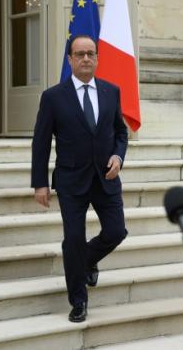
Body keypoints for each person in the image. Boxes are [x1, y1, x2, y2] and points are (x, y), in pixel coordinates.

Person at [31, 34, 128, 323]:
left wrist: (118, 156)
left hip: (106, 178)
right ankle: (78, 301)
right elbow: (41, 142)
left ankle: (86, 261)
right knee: (73, 239)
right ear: (70, 59)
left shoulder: (112, 92)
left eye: (91, 53)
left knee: (116, 231)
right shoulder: (53, 97)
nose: (86, 58)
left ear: (97, 58)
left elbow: (120, 132)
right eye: (80, 54)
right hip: (71, 180)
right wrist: (40, 182)